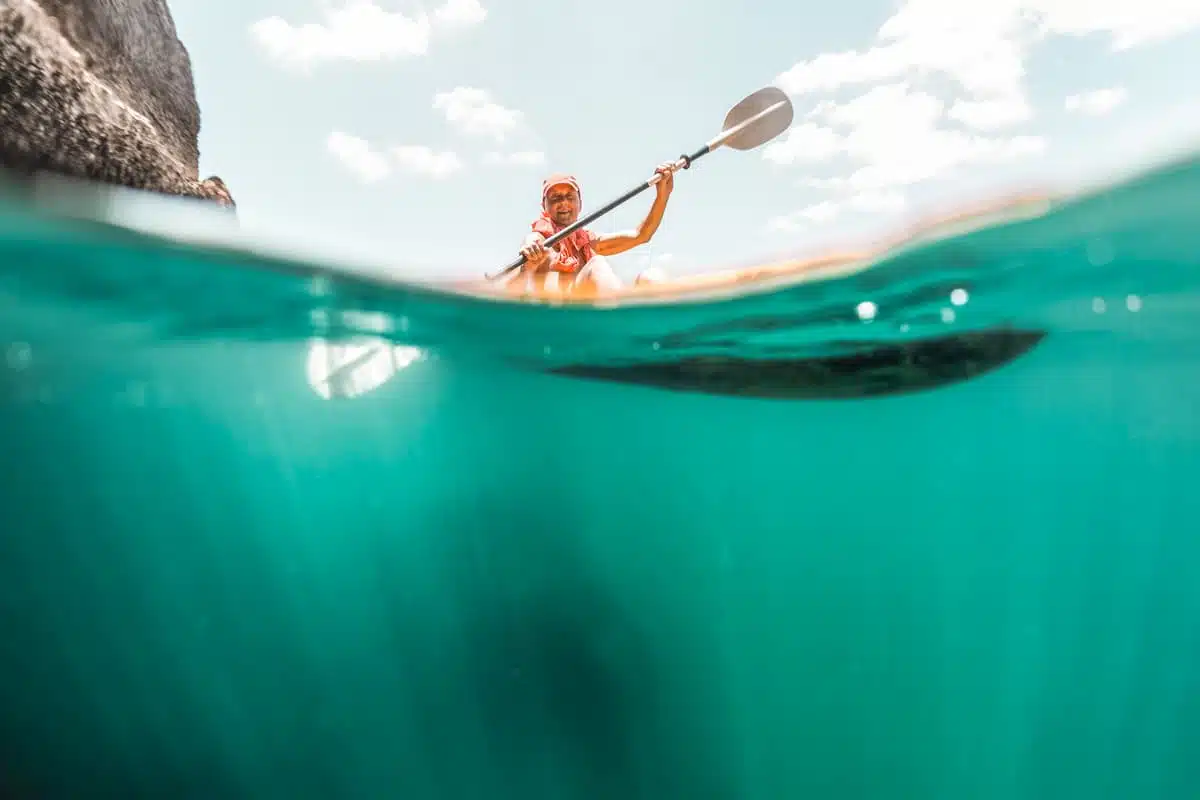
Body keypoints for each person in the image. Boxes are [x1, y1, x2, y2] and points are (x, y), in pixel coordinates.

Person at [511, 165, 675, 294]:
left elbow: (641, 235)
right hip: (562, 321)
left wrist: (663, 195)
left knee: (652, 277)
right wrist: (529, 257)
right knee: (596, 264)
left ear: (580, 204)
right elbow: (531, 242)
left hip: (597, 314)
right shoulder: (541, 239)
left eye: (570, 197)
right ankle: (620, 319)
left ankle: (665, 328)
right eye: (556, 198)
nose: (564, 203)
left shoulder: (588, 241)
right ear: (544, 207)